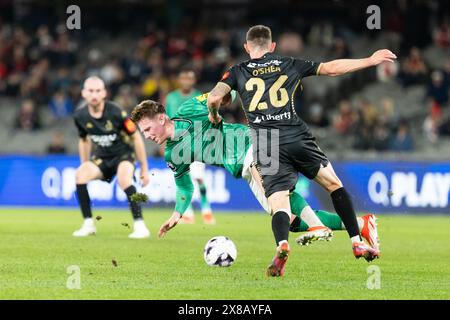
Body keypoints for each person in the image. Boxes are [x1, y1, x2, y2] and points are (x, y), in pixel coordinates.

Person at [206, 25, 394, 276]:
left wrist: (215, 115)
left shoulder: (237, 71)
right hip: (297, 136)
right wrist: (370, 60)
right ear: (272, 46)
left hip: (267, 142)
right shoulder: (289, 62)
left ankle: (282, 244)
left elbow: (212, 98)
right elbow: (330, 68)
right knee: (333, 185)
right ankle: (356, 241)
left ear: (246, 47)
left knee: (279, 203)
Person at [129, 93, 380, 253]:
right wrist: (177, 213)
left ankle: (318, 228)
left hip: (252, 143)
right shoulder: (173, 154)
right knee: (288, 220)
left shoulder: (188, 110)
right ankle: (360, 225)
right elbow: (184, 186)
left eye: (148, 129)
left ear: (162, 119)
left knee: (279, 196)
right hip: (243, 167)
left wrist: (222, 103)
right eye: (144, 133)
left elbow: (223, 93)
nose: (148, 136)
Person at [73, 76, 151, 239]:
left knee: (124, 180)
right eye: (91, 91)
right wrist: (85, 163)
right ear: (83, 94)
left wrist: (144, 167)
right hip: (102, 156)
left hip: (123, 154)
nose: (94, 94)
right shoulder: (80, 116)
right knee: (80, 175)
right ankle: (88, 224)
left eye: (98, 91)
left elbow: (136, 136)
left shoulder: (116, 112)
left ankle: (140, 226)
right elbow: (84, 140)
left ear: (104, 93)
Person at [165, 67, 215, 225]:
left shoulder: (198, 96)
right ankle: (187, 212)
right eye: (183, 78)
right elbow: (168, 121)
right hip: (178, 144)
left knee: (198, 177)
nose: (186, 81)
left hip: (197, 142)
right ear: (179, 80)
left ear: (193, 80)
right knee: (182, 178)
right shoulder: (171, 98)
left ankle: (206, 208)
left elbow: (206, 118)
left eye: (189, 78)